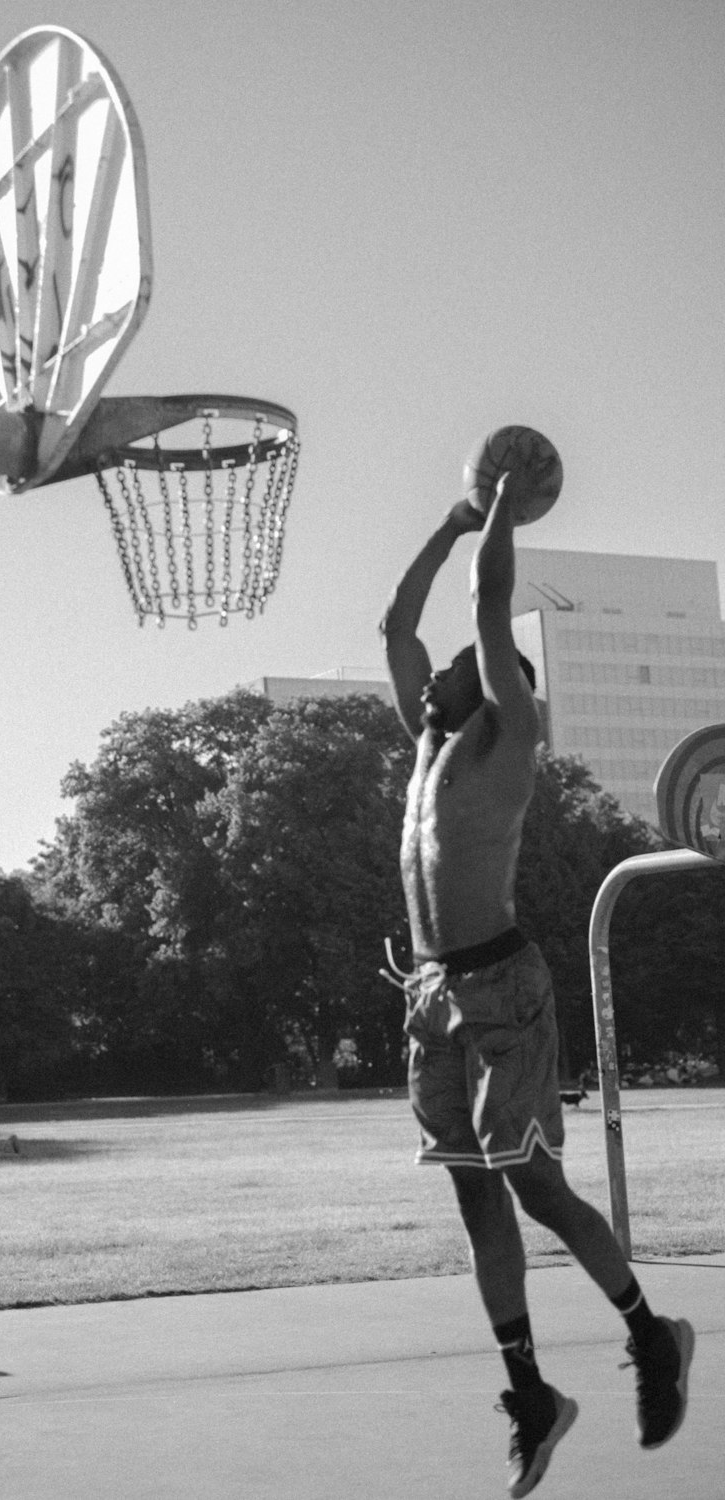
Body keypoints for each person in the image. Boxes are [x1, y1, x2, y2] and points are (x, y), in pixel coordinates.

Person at [379, 473, 694, 1498]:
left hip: (503, 989)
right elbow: (396, 625)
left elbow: (484, 607)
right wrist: (449, 520)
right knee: (478, 1204)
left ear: (496, 682)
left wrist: (502, 513)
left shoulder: (507, 740)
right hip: (434, 997)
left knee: (534, 1186)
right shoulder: (426, 749)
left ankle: (651, 1335)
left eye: (454, 672)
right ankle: (532, 1397)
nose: (430, 683)